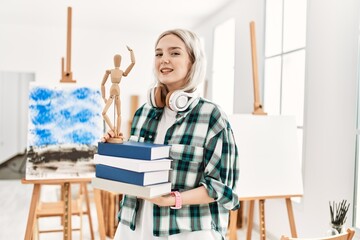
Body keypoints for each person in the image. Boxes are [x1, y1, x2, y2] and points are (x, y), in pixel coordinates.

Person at [104, 29, 240, 240]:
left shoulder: (212, 116)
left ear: (193, 62)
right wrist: (115, 149)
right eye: (159, 54)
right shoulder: (143, 113)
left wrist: (173, 199)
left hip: (187, 231)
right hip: (135, 227)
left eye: (174, 53)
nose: (164, 59)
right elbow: (135, 172)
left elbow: (221, 189)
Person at [101, 47, 135, 143]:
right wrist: (103, 97)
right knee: (104, 112)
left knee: (119, 113)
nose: (118, 62)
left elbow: (133, 63)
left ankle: (117, 132)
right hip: (112, 92)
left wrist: (131, 52)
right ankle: (114, 129)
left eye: (119, 60)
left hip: (117, 91)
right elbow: (102, 84)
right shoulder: (110, 71)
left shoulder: (121, 72)